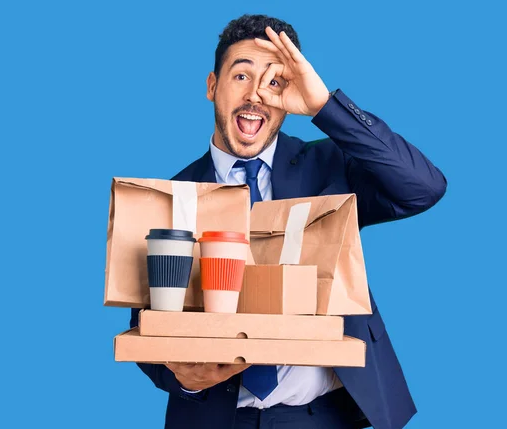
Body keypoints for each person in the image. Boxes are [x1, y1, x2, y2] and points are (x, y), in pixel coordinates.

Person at [129, 14, 446, 429]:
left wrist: (324, 106)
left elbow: (422, 187)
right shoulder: (171, 194)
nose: (257, 94)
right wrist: (184, 378)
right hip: (215, 416)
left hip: (324, 416)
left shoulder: (330, 167)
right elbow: (144, 323)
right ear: (212, 87)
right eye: (241, 75)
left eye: (274, 81)